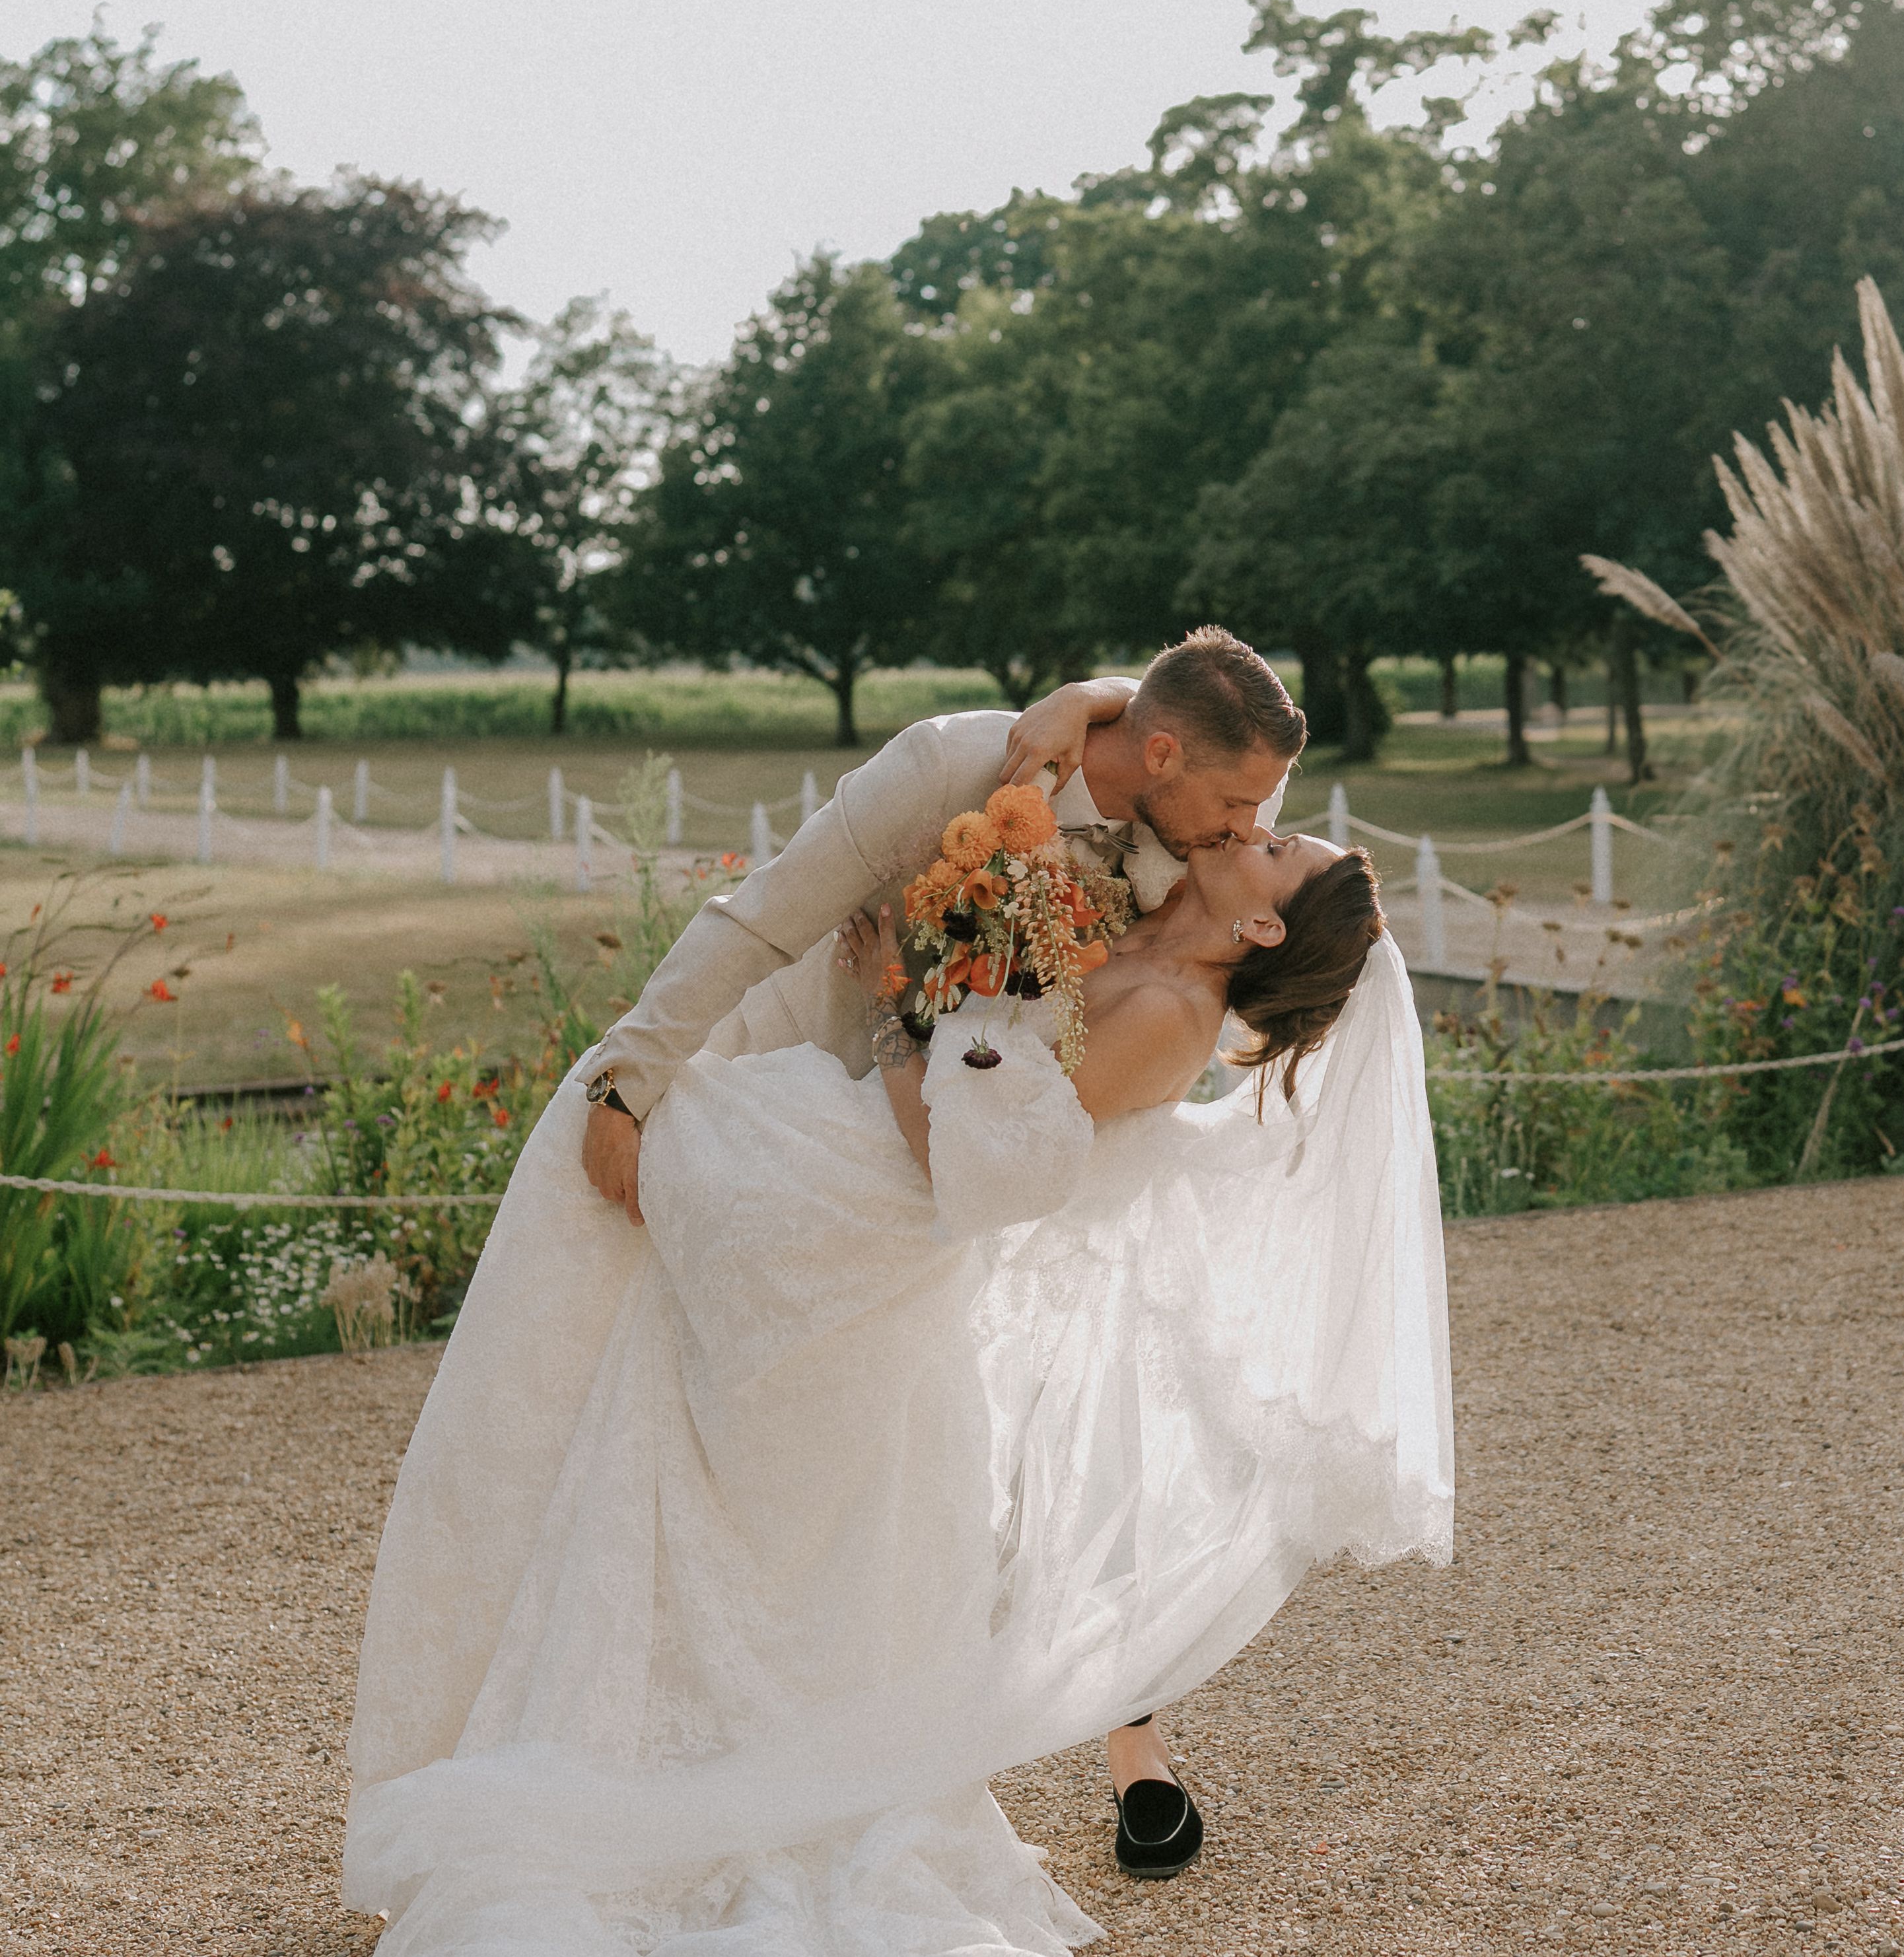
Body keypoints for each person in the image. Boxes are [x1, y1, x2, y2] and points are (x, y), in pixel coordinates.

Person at [341, 632, 1454, 1956]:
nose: (1254, 825)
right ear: (1162, 758)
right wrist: (629, 1076)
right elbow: (762, 916)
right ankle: (536, 1732)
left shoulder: (1187, 890)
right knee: (595, 1383)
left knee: (774, 1494)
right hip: (782, 1095)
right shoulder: (968, 768)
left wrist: (915, 993)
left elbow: (1014, 1132)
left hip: (868, 1179)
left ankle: (695, 1773)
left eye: (1263, 828)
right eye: (1243, 812)